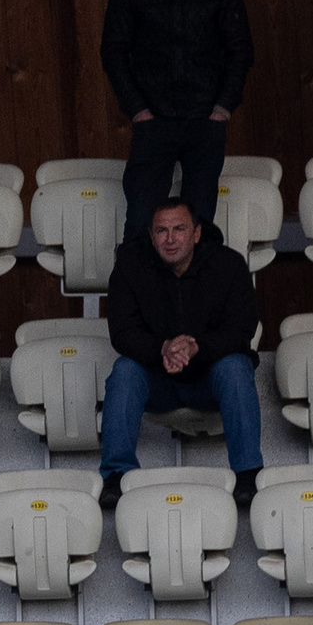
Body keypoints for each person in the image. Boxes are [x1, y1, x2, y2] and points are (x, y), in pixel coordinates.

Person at [99, 0, 254, 246]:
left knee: (198, 227)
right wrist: (137, 109)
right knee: (140, 222)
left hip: (205, 119)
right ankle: (135, 303)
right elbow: (113, 49)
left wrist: (222, 107)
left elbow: (240, 48)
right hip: (153, 120)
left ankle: (197, 303)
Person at [100, 193, 263, 512]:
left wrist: (195, 347)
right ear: (151, 234)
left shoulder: (228, 265)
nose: (170, 239)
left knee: (236, 367)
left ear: (197, 233)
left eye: (179, 229)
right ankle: (116, 476)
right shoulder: (131, 267)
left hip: (210, 377)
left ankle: (247, 474)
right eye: (162, 230)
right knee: (125, 370)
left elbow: (241, 329)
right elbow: (121, 332)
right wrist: (162, 348)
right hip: (157, 377)